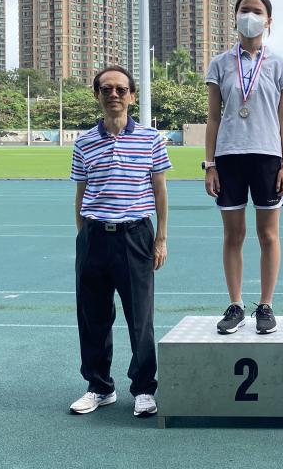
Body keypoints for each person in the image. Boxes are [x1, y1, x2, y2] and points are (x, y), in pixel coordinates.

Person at [69, 65, 170, 417]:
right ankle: (99, 386)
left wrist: (160, 238)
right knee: (93, 316)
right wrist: (84, 237)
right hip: (95, 237)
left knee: (140, 317)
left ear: (132, 95)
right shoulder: (83, 142)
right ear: (97, 94)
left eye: (121, 89)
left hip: (135, 236)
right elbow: (81, 195)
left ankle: (144, 389)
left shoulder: (151, 139)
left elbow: (160, 191)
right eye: (107, 89)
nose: (114, 94)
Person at [204, 0, 283, 335]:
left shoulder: (279, 64)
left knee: (268, 234)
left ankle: (266, 306)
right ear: (235, 17)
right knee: (233, 235)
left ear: (269, 21)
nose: (250, 16)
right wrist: (209, 163)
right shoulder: (220, 63)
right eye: (244, 10)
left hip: (268, 156)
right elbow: (213, 117)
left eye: (256, 11)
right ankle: (236, 304)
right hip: (229, 156)